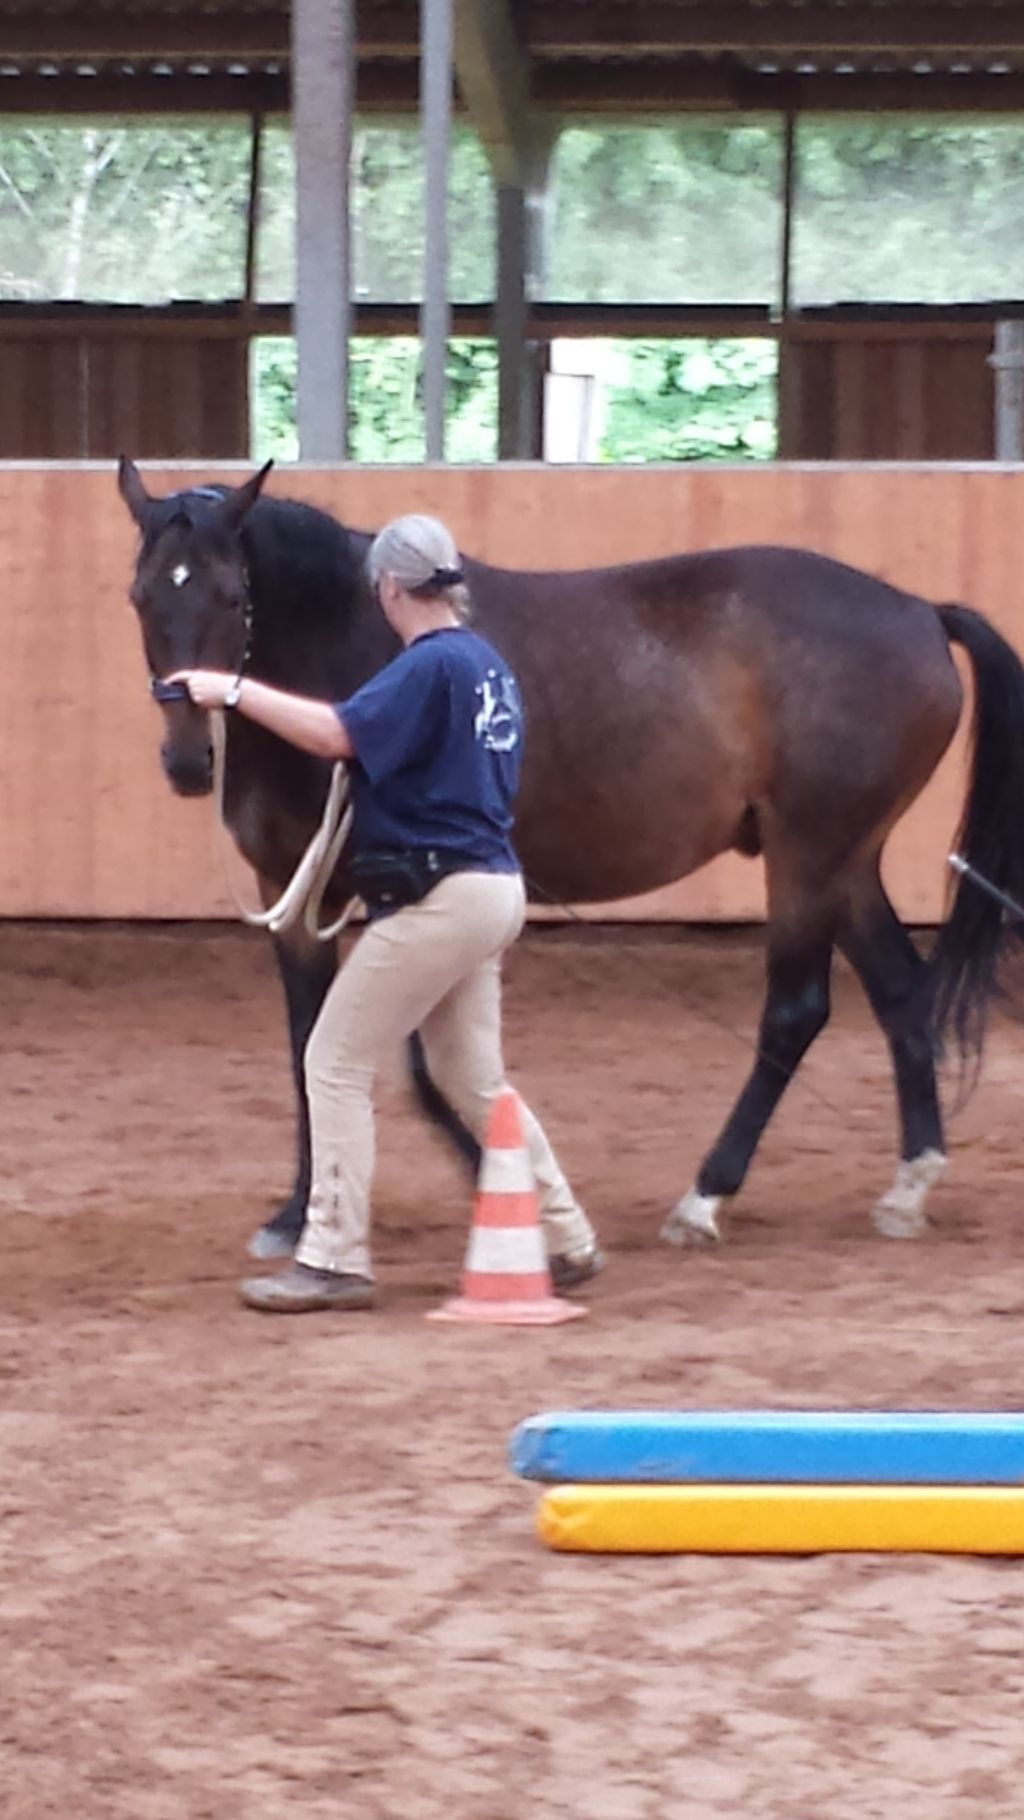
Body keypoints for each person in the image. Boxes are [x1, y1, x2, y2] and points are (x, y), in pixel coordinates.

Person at [169, 512, 603, 1313]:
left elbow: (336, 733)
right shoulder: (487, 666)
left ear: (392, 588)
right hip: (489, 886)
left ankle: (334, 1256)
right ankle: (564, 1232)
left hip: (438, 897)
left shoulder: (427, 667)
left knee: (333, 1059)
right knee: (471, 1076)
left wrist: (229, 690)